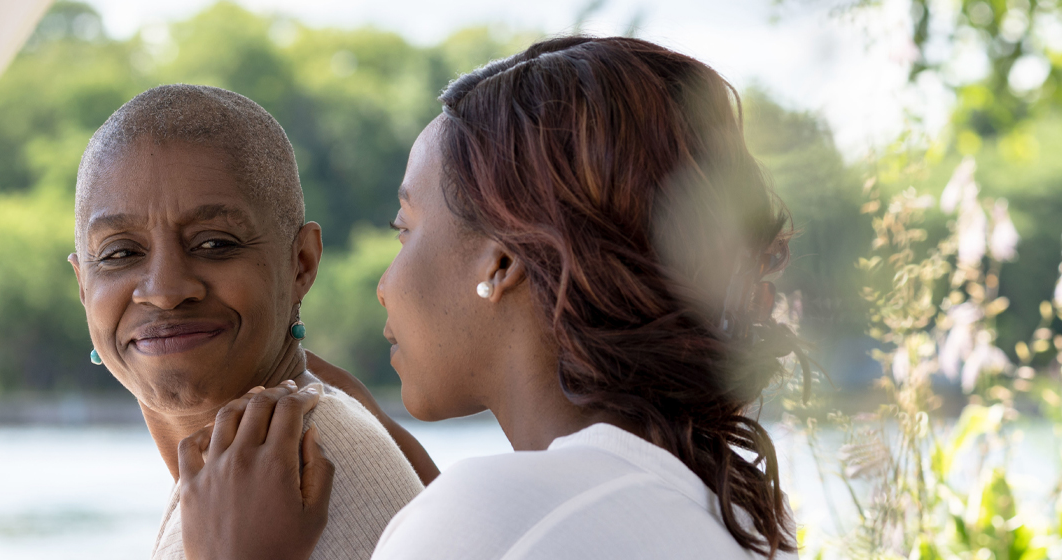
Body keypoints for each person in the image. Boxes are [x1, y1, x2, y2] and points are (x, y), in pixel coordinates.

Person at [174, 36, 805, 560]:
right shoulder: (724, 517)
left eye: (406, 230)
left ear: (501, 261)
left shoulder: (488, 518)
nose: (384, 286)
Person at [68, 84, 435, 560]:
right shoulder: (240, 495)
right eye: (120, 253)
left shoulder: (306, 478)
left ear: (300, 263)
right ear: (82, 288)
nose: (164, 289)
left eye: (215, 244)